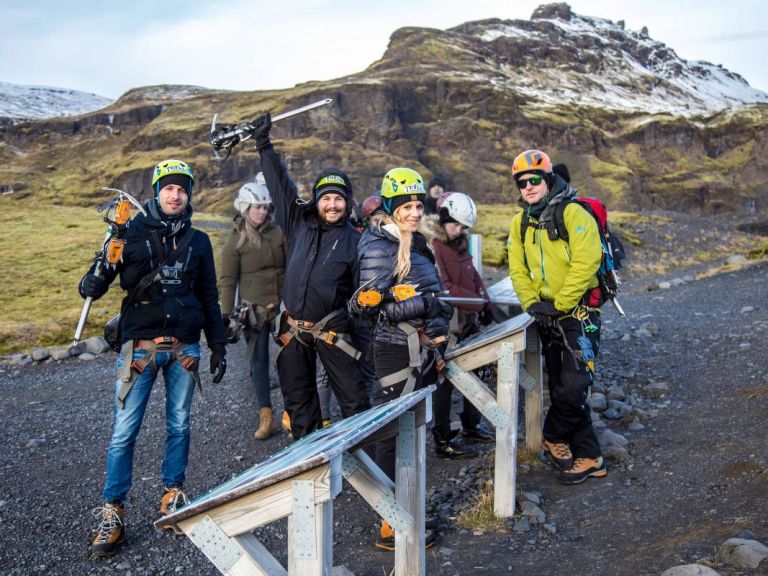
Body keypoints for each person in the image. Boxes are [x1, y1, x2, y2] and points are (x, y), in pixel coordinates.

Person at [80, 159, 228, 558]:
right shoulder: (128, 233)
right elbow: (96, 281)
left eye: (182, 189)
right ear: (157, 191)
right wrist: (93, 279)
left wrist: (217, 345)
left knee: (179, 424)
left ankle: (173, 494)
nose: (175, 194)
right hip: (138, 348)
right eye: (168, 188)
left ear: (189, 194)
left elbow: (209, 296)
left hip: (185, 348)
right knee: (123, 432)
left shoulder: (198, 241)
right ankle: (113, 511)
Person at [250, 113, 369, 440]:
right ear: (317, 200)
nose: (332, 205)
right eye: (326, 198)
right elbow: (279, 184)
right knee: (299, 404)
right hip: (292, 331)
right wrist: (264, 143)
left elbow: (360, 297)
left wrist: (364, 342)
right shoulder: (298, 223)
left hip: (333, 332)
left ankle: (362, 466)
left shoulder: (355, 241)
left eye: (338, 199)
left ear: (347, 202)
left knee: (355, 402)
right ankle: (310, 468)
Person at [354, 167, 453, 550]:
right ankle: (389, 522)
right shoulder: (379, 247)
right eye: (406, 206)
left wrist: (438, 317)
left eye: (418, 205)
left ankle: (405, 508)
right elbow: (370, 307)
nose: (414, 212)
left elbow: (430, 294)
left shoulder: (414, 242)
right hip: (396, 349)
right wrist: (426, 304)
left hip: (423, 348)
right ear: (391, 207)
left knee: (412, 431)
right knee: (394, 434)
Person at [507, 149, 607, 485]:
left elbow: (587, 260)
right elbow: (517, 268)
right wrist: (532, 303)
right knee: (561, 383)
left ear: (548, 179)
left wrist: (561, 303)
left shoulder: (574, 213)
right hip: (545, 315)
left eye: (534, 179)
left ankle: (552, 434)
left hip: (578, 314)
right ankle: (591, 457)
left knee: (575, 384)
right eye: (522, 182)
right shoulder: (520, 223)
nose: (528, 186)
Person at [218, 173, 286, 440]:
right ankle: (266, 416)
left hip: (282, 308)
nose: (262, 211)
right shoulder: (235, 240)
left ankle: (291, 412)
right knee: (258, 364)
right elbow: (227, 280)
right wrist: (225, 316)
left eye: (265, 206)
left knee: (289, 360)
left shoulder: (278, 233)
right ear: (245, 208)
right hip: (253, 313)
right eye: (257, 207)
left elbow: (292, 266)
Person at [429, 192, 495, 458]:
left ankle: (471, 423)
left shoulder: (458, 243)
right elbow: (444, 286)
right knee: (444, 379)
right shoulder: (435, 245)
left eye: (463, 227)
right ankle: (442, 437)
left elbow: (472, 274)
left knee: (477, 369)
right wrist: (478, 303)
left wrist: (486, 301)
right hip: (449, 323)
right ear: (444, 219)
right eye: (455, 224)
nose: (459, 230)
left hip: (467, 320)